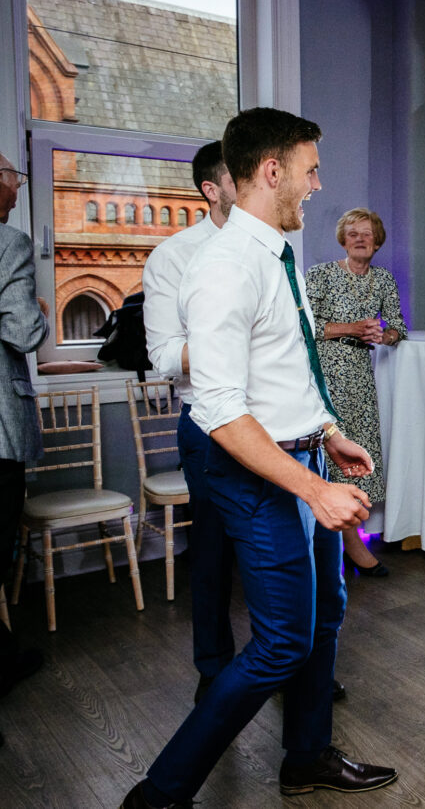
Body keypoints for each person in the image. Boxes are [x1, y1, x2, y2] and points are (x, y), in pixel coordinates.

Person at [120, 107, 397, 808]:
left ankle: (306, 755)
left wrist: (329, 431)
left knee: (325, 616)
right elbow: (217, 409)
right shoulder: (221, 270)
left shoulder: (279, 253)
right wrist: (312, 489)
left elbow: (290, 370)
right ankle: (160, 791)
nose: (316, 184)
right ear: (271, 172)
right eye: (310, 170)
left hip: (304, 454)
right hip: (255, 472)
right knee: (280, 643)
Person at [141, 141, 240, 702]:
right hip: (209, 426)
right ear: (212, 189)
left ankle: (284, 661)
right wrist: (240, 345)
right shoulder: (174, 257)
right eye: (240, 172)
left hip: (273, 421)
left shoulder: (273, 249)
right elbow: (163, 356)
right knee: (213, 553)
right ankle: (215, 669)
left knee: (278, 553)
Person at [306, 208, 407, 577]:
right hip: (327, 375)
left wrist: (386, 335)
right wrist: (353, 328)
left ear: (377, 242)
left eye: (367, 234)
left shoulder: (383, 280)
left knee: (356, 458)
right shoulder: (320, 275)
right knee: (332, 456)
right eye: (353, 234)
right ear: (343, 240)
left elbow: (398, 326)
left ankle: (345, 541)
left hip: (362, 380)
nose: (360, 239)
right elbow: (306, 327)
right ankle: (344, 546)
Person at [0, 151, 47, 747]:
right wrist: (36, 314)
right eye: (13, 184)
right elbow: (22, 330)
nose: (15, 195)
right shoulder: (7, 244)